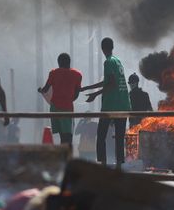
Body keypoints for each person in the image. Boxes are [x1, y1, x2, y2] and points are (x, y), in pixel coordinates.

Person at [81, 37, 131, 168]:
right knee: (119, 137)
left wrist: (95, 95)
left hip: (111, 104)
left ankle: (103, 164)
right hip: (124, 103)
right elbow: (107, 81)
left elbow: (112, 84)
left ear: (102, 48)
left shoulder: (108, 62)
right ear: (112, 47)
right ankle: (119, 165)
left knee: (101, 135)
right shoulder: (117, 61)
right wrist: (86, 88)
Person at [37, 53, 82, 146]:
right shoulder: (77, 75)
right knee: (68, 136)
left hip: (55, 108)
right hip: (67, 108)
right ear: (69, 63)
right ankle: (67, 156)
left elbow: (45, 89)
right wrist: (69, 99)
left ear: (59, 63)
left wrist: (40, 90)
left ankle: (63, 155)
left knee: (62, 135)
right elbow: (77, 94)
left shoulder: (53, 73)